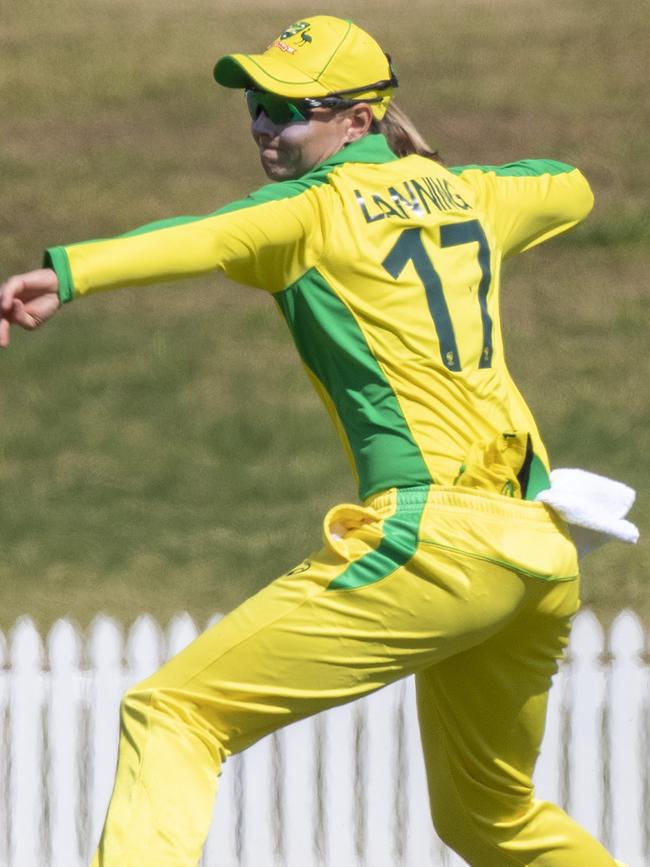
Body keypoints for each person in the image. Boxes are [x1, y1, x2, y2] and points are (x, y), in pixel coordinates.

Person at [0, 15, 630, 867]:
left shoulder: (309, 209)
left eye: (290, 107)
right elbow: (569, 184)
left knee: (175, 710)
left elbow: (203, 237)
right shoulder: (471, 194)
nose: (264, 123)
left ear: (359, 119)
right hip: (540, 546)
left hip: (436, 541)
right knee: (490, 818)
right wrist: (435, 181)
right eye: (256, 104)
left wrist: (68, 274)